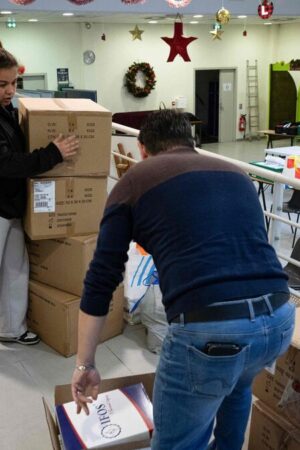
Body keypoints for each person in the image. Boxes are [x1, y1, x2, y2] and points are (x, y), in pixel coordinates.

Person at [71, 109, 295, 450]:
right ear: (191, 142)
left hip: (212, 333)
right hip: (279, 320)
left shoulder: (136, 179)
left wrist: (85, 363)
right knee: (236, 385)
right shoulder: (235, 173)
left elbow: (102, 278)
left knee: (179, 444)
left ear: (143, 148)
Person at [0, 43, 79, 345]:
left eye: (14, 83)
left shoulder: (8, 111)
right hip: (2, 204)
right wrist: (53, 154)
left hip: (12, 204)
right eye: (2, 84)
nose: (10, 90)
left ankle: (11, 328)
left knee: (15, 269)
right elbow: (6, 163)